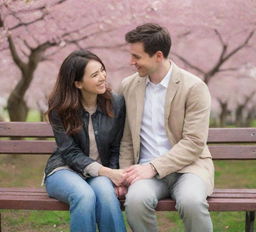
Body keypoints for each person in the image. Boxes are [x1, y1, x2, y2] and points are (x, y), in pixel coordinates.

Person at [117, 23, 214, 232]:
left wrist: (152, 167)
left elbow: (194, 143)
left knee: (191, 202)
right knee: (134, 202)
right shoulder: (128, 86)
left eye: (137, 56)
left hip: (189, 169)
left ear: (158, 56)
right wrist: (124, 175)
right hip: (145, 172)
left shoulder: (194, 87)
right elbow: (125, 138)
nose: (131, 62)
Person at [43, 50, 126, 232]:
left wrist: (112, 175)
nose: (103, 77)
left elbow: (116, 146)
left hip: (101, 172)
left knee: (105, 194)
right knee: (83, 195)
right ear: (78, 83)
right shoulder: (60, 108)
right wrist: (106, 171)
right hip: (64, 170)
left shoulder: (116, 103)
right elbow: (69, 152)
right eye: (95, 75)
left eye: (102, 70)